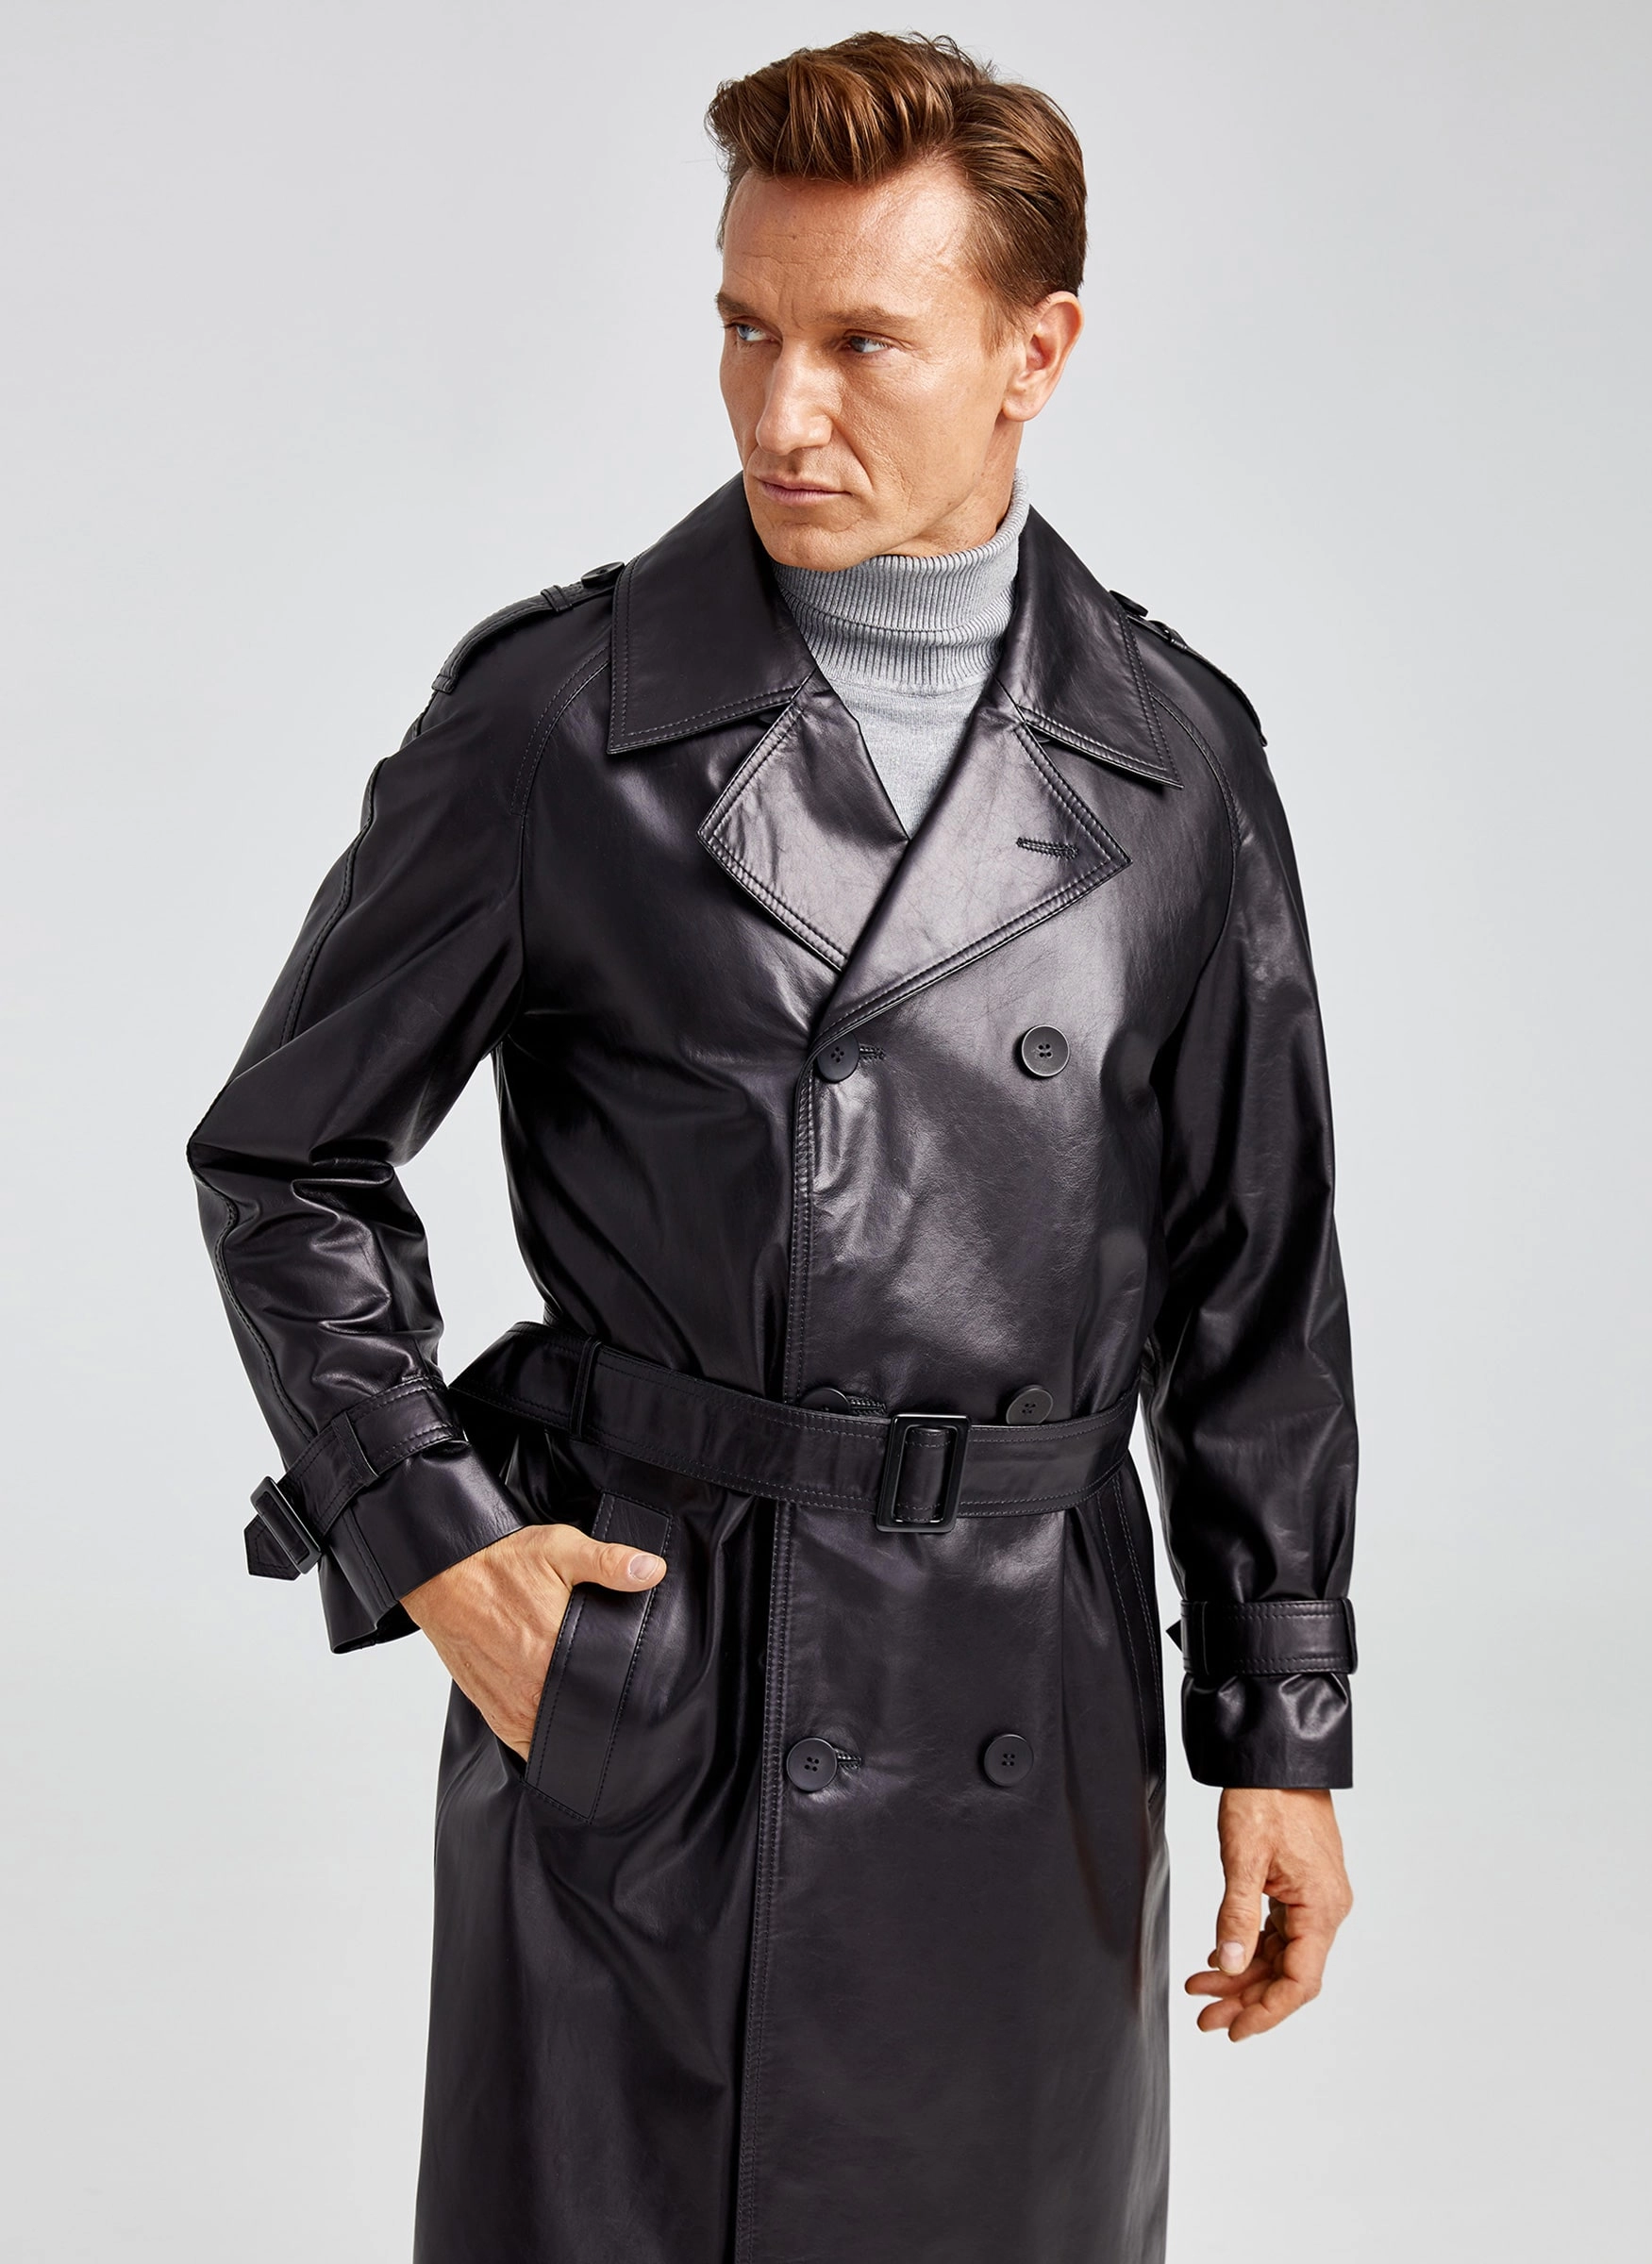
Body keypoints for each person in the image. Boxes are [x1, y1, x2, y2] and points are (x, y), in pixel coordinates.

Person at [189, 31, 1357, 2264]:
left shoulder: (1179, 759)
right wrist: (441, 1552)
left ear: (1035, 356)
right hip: (674, 1685)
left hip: (1034, 1702)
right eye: (745, 326)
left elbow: (1257, 1285)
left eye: (861, 344)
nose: (777, 411)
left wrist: (1280, 1731)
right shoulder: (561, 722)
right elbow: (287, 1164)